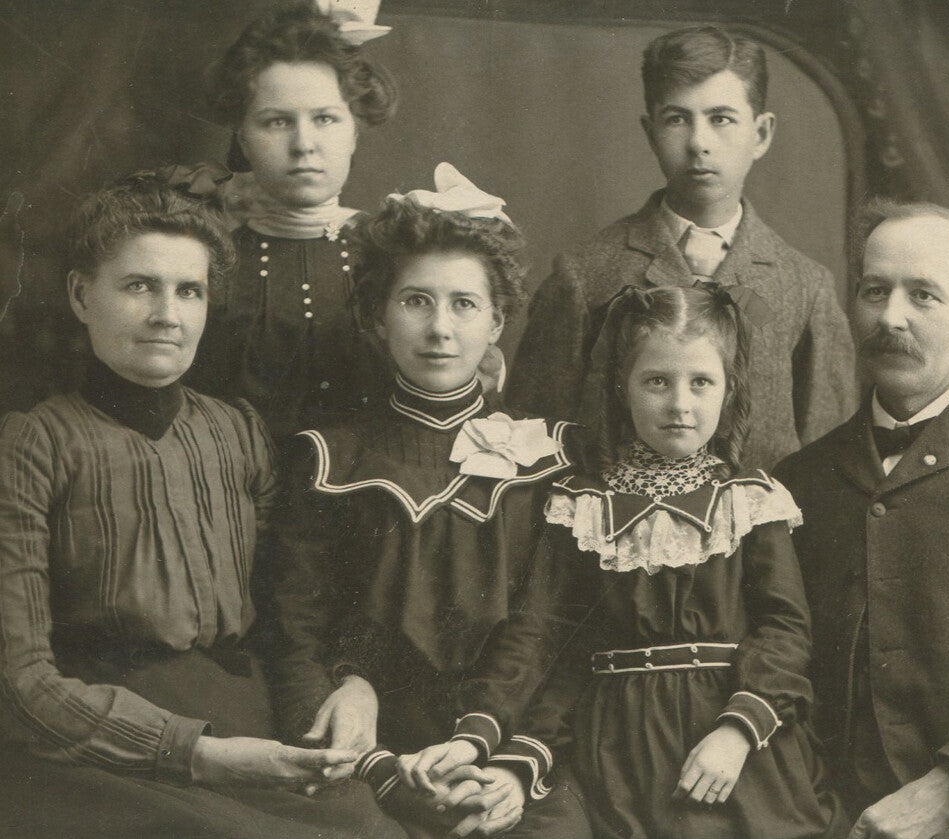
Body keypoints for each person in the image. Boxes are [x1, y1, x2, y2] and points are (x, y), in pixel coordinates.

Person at [0, 172, 405, 838]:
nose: (168, 314)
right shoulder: (32, 443)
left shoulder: (237, 431)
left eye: (190, 290)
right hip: (99, 751)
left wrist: (353, 683)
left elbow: (289, 610)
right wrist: (200, 753)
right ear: (80, 294)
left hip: (252, 726)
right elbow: (21, 682)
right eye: (139, 286)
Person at [268, 165, 592, 838]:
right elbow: (294, 635)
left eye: (464, 304)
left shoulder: (546, 457)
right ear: (376, 314)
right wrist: (380, 769)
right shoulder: (328, 457)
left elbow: (556, 637)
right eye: (416, 300)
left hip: (512, 756)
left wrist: (509, 766)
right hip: (369, 762)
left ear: (498, 319)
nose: (440, 328)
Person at [776, 200, 949, 839]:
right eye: (875, 291)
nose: (890, 317)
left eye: (923, 295)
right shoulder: (798, 481)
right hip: (826, 809)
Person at [531, 285, 845, 838]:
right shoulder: (582, 506)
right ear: (621, 388)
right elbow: (557, 639)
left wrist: (738, 730)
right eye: (657, 381)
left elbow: (785, 627)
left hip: (731, 734)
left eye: (702, 382)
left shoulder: (748, 500)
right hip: (618, 744)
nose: (680, 404)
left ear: (728, 390)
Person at [507, 24, 855, 469]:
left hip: (761, 533)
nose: (699, 143)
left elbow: (829, 453)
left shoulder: (804, 287)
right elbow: (535, 437)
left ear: (761, 134)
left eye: (721, 118)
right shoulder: (586, 275)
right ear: (651, 133)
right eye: (677, 119)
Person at [185, 1, 399, 439]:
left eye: (325, 118)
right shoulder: (204, 262)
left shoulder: (398, 255)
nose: (304, 144)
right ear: (243, 137)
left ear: (354, 130)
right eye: (278, 121)